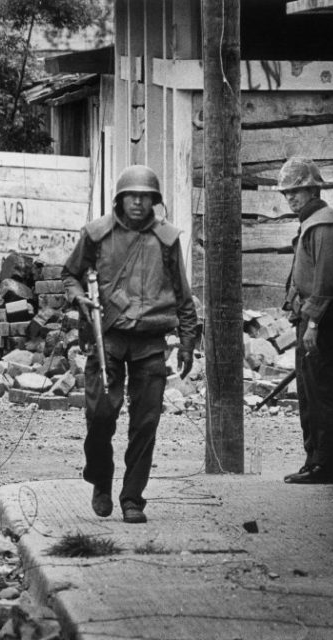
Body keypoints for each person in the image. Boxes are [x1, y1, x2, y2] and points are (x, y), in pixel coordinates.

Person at [62, 165, 198, 524]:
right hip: (108, 337)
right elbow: (70, 275)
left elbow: (183, 294)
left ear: (154, 200)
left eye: (145, 196)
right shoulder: (96, 234)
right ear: (120, 198)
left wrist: (187, 342)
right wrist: (80, 300)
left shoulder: (167, 239)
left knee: (146, 422)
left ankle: (132, 497)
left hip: (151, 340)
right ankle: (101, 480)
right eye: (131, 195)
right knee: (101, 416)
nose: (138, 202)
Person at [276, 157, 333, 485]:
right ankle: (313, 460)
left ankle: (326, 466)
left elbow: (324, 282)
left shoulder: (322, 225)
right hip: (311, 320)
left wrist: (311, 325)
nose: (291, 197)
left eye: (297, 191)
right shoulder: (311, 222)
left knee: (323, 392)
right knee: (308, 391)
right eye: (287, 193)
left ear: (313, 188)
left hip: (323, 324)